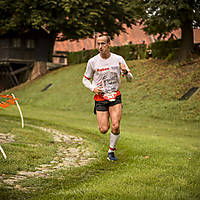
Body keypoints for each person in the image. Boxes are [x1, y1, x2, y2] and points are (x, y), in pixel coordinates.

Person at [82, 34, 133, 161]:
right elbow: (85, 80)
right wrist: (93, 88)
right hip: (100, 98)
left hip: (115, 96)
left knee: (115, 126)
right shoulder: (93, 61)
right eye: (98, 44)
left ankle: (111, 152)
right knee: (103, 129)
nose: (100, 47)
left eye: (103, 44)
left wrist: (126, 72)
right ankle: (108, 139)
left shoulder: (118, 59)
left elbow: (130, 79)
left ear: (109, 44)